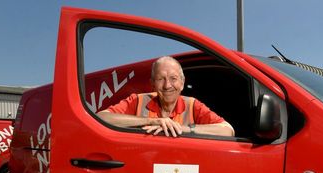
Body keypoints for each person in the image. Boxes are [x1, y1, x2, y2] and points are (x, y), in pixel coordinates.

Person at [97, 56, 234, 137]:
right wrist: (152, 121)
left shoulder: (192, 104)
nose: (167, 85)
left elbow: (228, 130)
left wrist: (184, 129)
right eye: (161, 79)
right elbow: (101, 118)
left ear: (182, 83)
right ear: (152, 84)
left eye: (173, 78)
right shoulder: (137, 100)